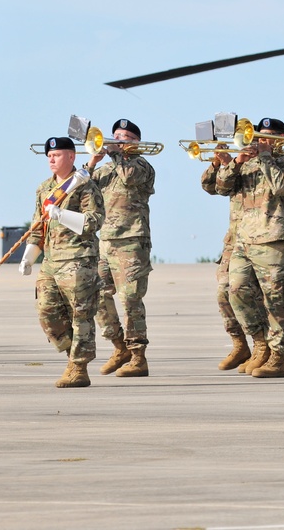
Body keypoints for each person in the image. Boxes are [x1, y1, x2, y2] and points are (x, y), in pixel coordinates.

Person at [215, 117, 284, 378]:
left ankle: (277, 357)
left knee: (275, 302)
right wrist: (235, 162)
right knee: (236, 292)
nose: (261, 140)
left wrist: (265, 157)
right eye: (260, 135)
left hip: (274, 241)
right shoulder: (247, 163)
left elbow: (283, 188)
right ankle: (260, 345)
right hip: (243, 241)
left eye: (269, 136)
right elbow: (220, 187)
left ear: (281, 139)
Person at [19, 137, 104, 388]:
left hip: (79, 260)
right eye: (49, 156)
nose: (51, 159)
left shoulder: (85, 187)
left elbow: (93, 222)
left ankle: (79, 367)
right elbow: (37, 227)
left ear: (71, 157)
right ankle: (72, 356)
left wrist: (61, 214)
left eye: (56, 155)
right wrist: (29, 257)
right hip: (51, 261)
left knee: (81, 316)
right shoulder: (44, 189)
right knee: (46, 311)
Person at [84, 119, 155, 377]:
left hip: (132, 242)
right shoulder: (104, 170)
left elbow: (128, 176)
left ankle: (138, 357)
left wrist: (115, 155)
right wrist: (92, 161)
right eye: (116, 135)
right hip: (106, 242)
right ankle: (118, 346)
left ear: (135, 142)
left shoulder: (142, 166)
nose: (118, 140)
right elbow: (79, 186)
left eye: (125, 137)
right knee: (97, 295)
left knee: (130, 300)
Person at [200, 143, 250, 370]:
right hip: (234, 240)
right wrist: (221, 163)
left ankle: (265, 348)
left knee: (259, 299)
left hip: (263, 241)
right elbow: (213, 187)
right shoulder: (238, 165)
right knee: (224, 292)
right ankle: (239, 344)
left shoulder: (278, 163)